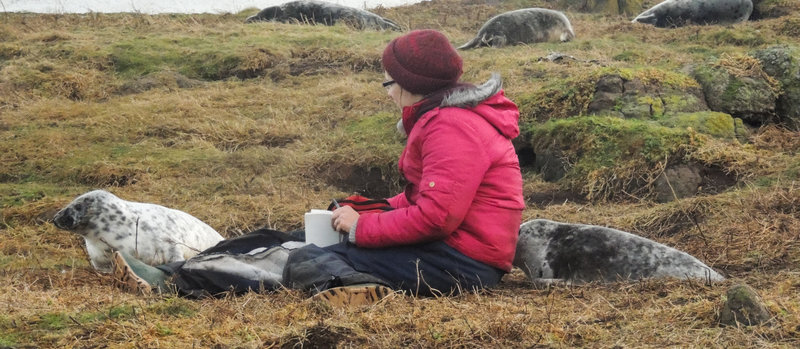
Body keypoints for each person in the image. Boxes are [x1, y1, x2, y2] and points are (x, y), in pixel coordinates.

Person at [112, 29, 525, 305]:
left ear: (411, 84)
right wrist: (365, 210)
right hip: (453, 253)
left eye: (388, 82)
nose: (387, 91)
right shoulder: (449, 119)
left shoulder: (452, 127)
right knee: (288, 238)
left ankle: (175, 283)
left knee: (304, 258)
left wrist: (362, 227)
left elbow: (437, 217)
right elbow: (425, 197)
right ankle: (174, 271)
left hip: (461, 264)